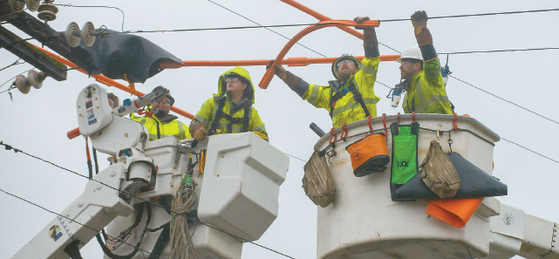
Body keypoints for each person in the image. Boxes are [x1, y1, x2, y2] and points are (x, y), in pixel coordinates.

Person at [267, 17, 381, 128]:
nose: (344, 64)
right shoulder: (330, 94)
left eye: (348, 61)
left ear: (357, 69)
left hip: (367, 137)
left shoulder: (363, 79)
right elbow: (307, 90)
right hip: (345, 142)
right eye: (339, 64)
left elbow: (372, 59)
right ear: (336, 71)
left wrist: (368, 31)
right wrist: (284, 75)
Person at [189, 67, 268, 142]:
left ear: (244, 86)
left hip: (238, 154)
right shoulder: (212, 104)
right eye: (228, 79)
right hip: (211, 152)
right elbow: (195, 122)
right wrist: (197, 129)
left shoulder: (251, 113)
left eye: (234, 78)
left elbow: (263, 138)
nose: (230, 81)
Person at [397, 10, 453, 114]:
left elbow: (432, 62)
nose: (400, 67)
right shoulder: (407, 97)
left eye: (404, 63)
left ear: (417, 65)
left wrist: (421, 32)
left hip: (441, 128)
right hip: (425, 129)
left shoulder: (429, 78)